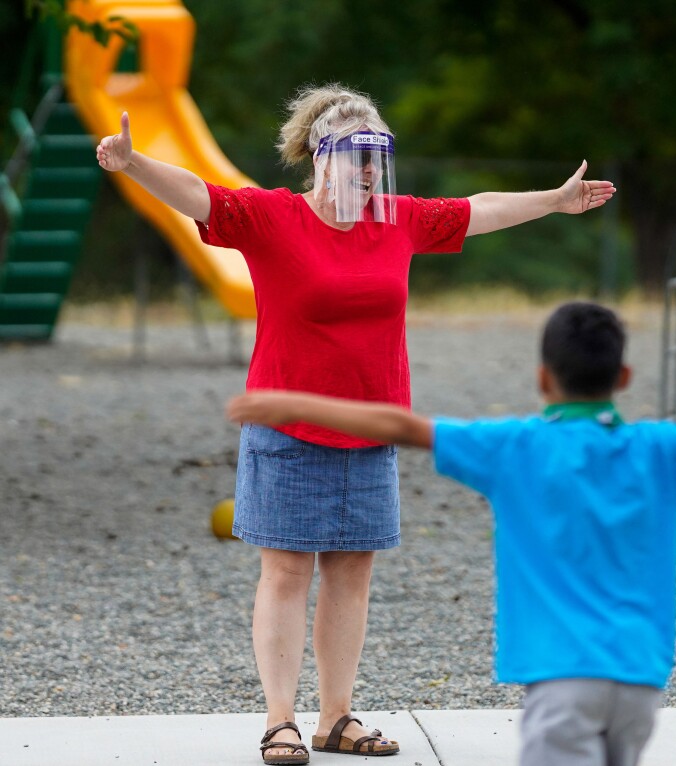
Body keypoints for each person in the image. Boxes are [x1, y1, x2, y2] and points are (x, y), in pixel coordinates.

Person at [95, 84, 616, 764]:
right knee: (285, 572)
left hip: (373, 427)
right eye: (354, 155)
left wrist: (552, 200)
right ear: (319, 157)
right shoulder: (270, 218)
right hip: (288, 427)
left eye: (377, 157)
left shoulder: (396, 219)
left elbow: (477, 209)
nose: (367, 170)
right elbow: (201, 194)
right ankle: (280, 720)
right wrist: (134, 164)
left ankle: (336, 718)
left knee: (352, 572)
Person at [226, 301, 676, 766]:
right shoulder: (663, 450)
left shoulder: (513, 447)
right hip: (640, 681)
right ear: (624, 373)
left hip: (560, 682)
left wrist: (287, 400)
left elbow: (403, 427)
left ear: (542, 376)